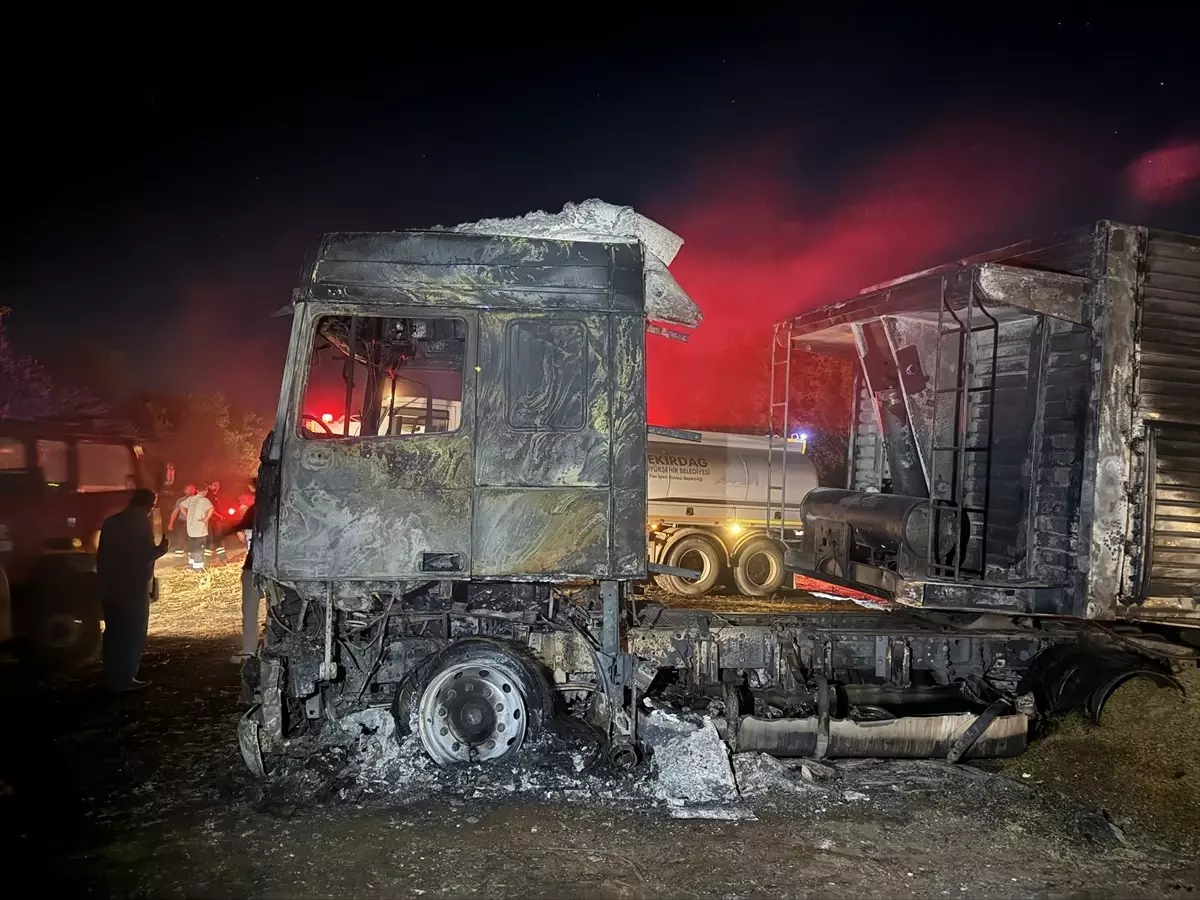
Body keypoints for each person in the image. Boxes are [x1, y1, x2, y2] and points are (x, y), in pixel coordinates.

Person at [96, 489, 169, 691]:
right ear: (150, 505)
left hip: (110, 587)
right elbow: (142, 557)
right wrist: (160, 550)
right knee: (132, 633)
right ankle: (126, 678)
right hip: (132, 588)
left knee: (113, 632)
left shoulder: (111, 522)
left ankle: (111, 675)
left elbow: (102, 556)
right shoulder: (140, 523)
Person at [223, 482, 260, 664]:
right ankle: (272, 646)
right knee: (277, 611)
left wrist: (225, 530)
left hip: (254, 565)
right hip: (278, 569)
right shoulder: (286, 508)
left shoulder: (257, 509)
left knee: (250, 610)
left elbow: (237, 528)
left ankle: (249, 650)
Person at [179, 484, 215, 570]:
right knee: (199, 550)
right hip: (200, 529)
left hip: (190, 529)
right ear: (206, 491)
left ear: (197, 490)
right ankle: (198, 569)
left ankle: (191, 566)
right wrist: (206, 518)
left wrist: (187, 515)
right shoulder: (204, 500)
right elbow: (212, 508)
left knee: (192, 548)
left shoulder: (191, 499)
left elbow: (181, 505)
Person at [166, 484, 197, 562]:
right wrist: (171, 523)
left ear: (195, 490)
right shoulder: (181, 500)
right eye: (188, 489)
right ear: (185, 491)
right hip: (182, 523)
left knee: (193, 541)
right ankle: (178, 561)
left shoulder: (198, 500)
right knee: (180, 541)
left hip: (194, 524)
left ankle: (192, 560)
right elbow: (175, 512)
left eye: (192, 489)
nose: (190, 491)